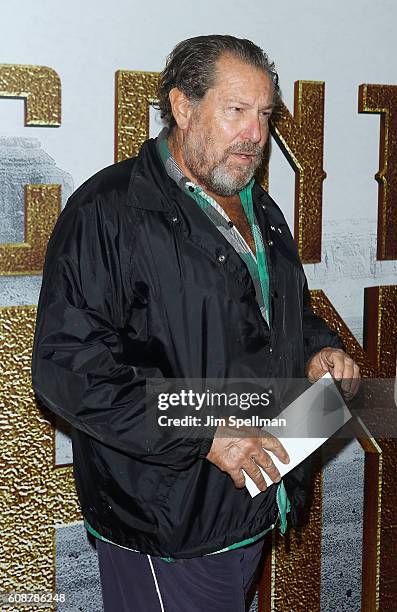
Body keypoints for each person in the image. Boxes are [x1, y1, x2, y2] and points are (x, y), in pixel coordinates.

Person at [31, 35, 360, 612]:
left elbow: (273, 316)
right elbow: (70, 372)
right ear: (182, 108)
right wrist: (204, 435)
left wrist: (317, 350)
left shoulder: (259, 207)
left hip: (249, 503)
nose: (256, 134)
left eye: (264, 115)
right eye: (236, 110)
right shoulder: (108, 211)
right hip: (168, 523)